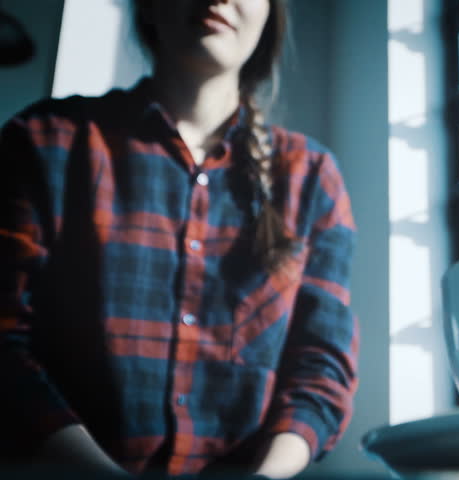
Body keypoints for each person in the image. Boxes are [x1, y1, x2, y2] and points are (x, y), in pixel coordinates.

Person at [0, 0, 359, 478]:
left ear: (269, 17)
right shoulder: (44, 142)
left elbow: (320, 368)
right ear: (149, 6)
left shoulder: (312, 177)